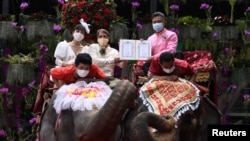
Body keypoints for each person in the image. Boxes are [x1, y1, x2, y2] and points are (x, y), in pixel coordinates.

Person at [132, 11, 178, 83]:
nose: (156, 24)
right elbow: (145, 55)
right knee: (142, 66)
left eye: (159, 21)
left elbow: (171, 50)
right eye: (154, 22)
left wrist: (154, 57)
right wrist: (142, 45)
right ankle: (163, 78)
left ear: (164, 22)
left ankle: (160, 77)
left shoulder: (171, 35)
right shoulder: (150, 38)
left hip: (166, 63)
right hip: (153, 65)